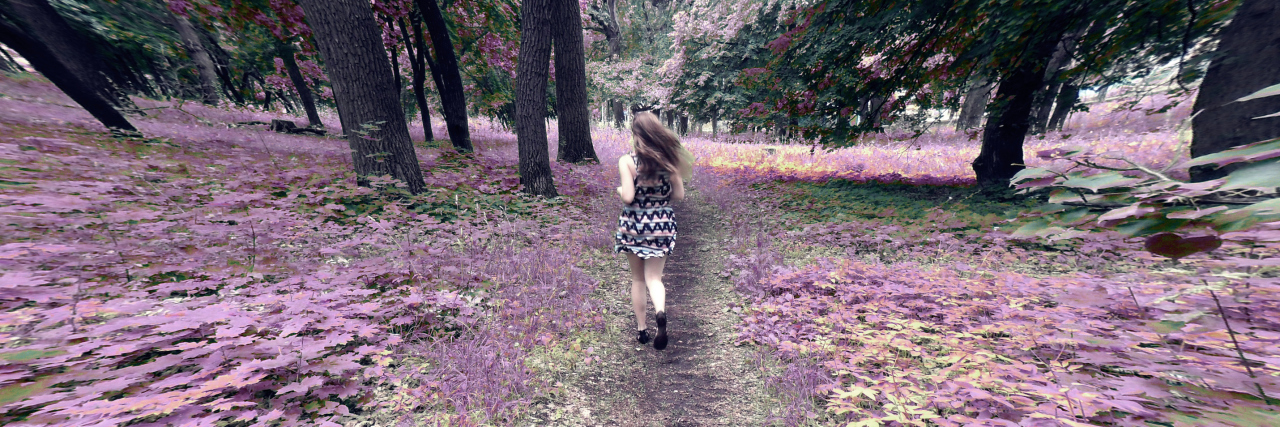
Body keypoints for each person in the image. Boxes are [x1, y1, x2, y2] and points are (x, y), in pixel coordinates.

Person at [614, 111, 694, 350]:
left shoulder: (627, 161)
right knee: (654, 279)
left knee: (637, 279)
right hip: (661, 225)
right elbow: (679, 195)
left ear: (636, 134)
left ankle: (642, 330)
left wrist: (619, 190)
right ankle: (660, 313)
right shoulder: (669, 160)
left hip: (634, 226)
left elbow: (628, 197)